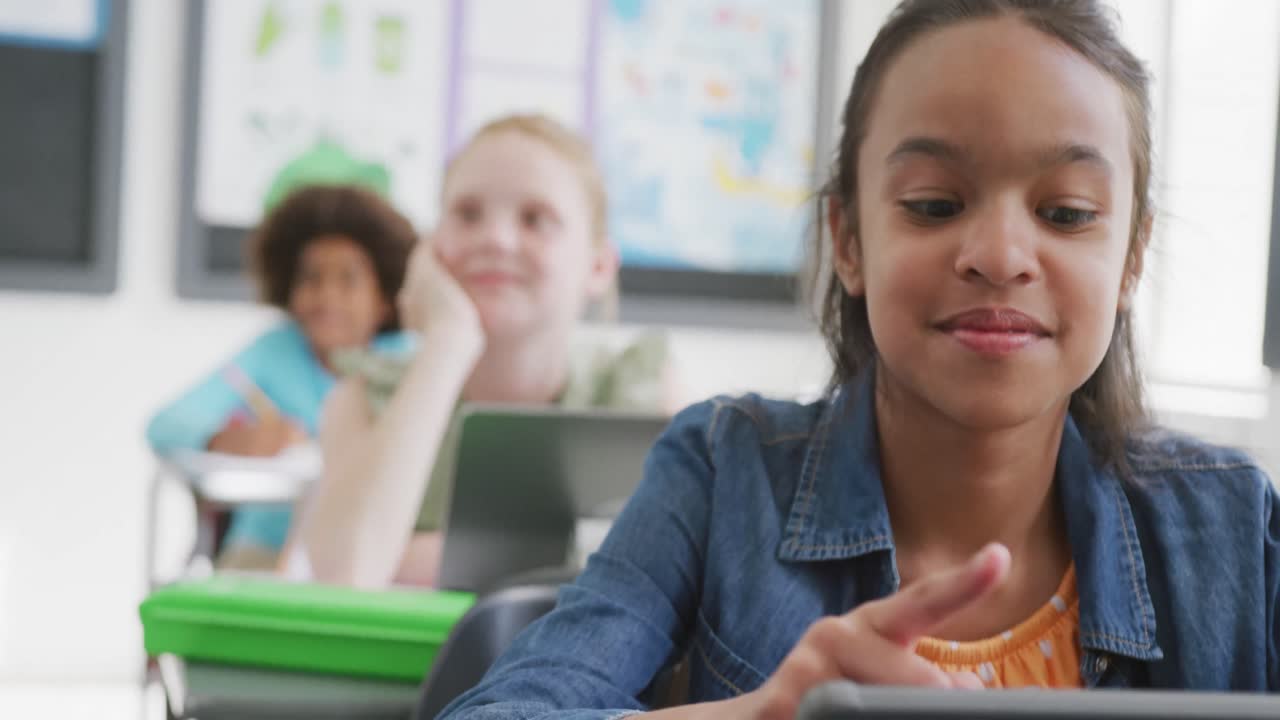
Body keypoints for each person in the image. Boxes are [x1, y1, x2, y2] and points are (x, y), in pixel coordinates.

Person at [439, 1, 1280, 717]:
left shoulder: (1234, 525)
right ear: (848, 240)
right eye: (934, 204)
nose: (999, 255)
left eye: (1065, 213)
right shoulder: (723, 472)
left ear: (1131, 258)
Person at [283, 115, 674, 588]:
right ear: (430, 249)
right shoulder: (364, 397)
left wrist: (411, 560)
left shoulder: (644, 390)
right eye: (467, 214)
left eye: (535, 219)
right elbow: (348, 572)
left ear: (598, 266)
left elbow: (675, 575)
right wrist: (447, 339)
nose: (495, 239)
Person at [146, 185, 416, 569]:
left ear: (385, 300)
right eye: (311, 278)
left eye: (348, 280)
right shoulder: (274, 351)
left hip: (380, 551)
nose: (326, 296)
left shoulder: (411, 359)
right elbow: (165, 424)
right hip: (266, 550)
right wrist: (226, 439)